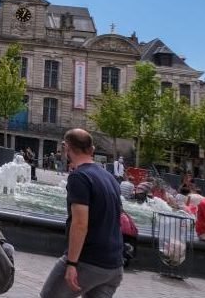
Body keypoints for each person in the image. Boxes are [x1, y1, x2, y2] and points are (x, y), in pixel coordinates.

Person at [40, 128, 124, 298]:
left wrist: (71, 263)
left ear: (66, 148)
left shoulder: (80, 177)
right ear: (92, 150)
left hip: (88, 260)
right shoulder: (110, 178)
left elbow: (80, 224)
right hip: (114, 265)